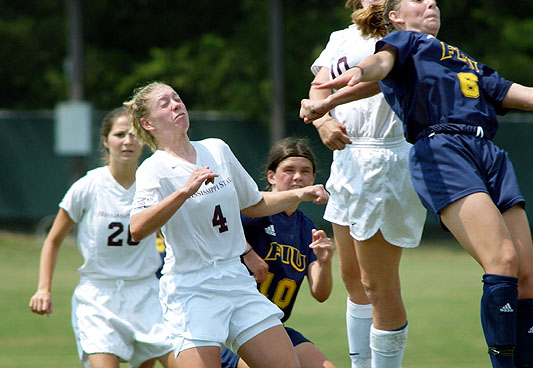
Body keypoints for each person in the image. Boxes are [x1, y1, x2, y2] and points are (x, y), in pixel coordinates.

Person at [301, 0, 533, 368]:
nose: (430, 4)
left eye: (433, 0)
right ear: (395, 16)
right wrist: (346, 81)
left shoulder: (464, 59)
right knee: (502, 260)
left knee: (525, 279)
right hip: (442, 149)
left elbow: (529, 96)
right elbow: (379, 65)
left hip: (489, 154)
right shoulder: (403, 44)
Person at [124, 82, 329, 368]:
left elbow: (254, 203)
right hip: (191, 287)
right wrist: (185, 191)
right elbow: (137, 228)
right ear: (148, 123)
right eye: (165, 103)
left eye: (177, 98)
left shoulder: (216, 149)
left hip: (235, 278)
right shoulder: (153, 169)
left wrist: (299, 194)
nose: (176, 105)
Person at [307, 0, 427, 368]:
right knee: (352, 281)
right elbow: (318, 89)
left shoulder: (409, 37)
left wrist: (326, 103)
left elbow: (379, 80)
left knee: (379, 287)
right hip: (348, 163)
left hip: (385, 162)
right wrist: (322, 122)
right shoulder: (342, 38)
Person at [29, 108, 174, 368]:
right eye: (120, 134)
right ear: (106, 141)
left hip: (146, 293)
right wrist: (43, 288)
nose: (128, 141)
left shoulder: (155, 185)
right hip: (98, 298)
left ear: (144, 140)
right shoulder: (88, 186)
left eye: (134, 135)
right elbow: (53, 240)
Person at [220, 137, 336, 368]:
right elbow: (216, 230)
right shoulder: (252, 211)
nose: (297, 177)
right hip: (231, 325)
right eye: (289, 170)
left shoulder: (307, 227)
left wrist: (324, 263)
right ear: (271, 176)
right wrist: (248, 252)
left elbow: (320, 293)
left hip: (272, 326)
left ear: (313, 179)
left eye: (305, 171)